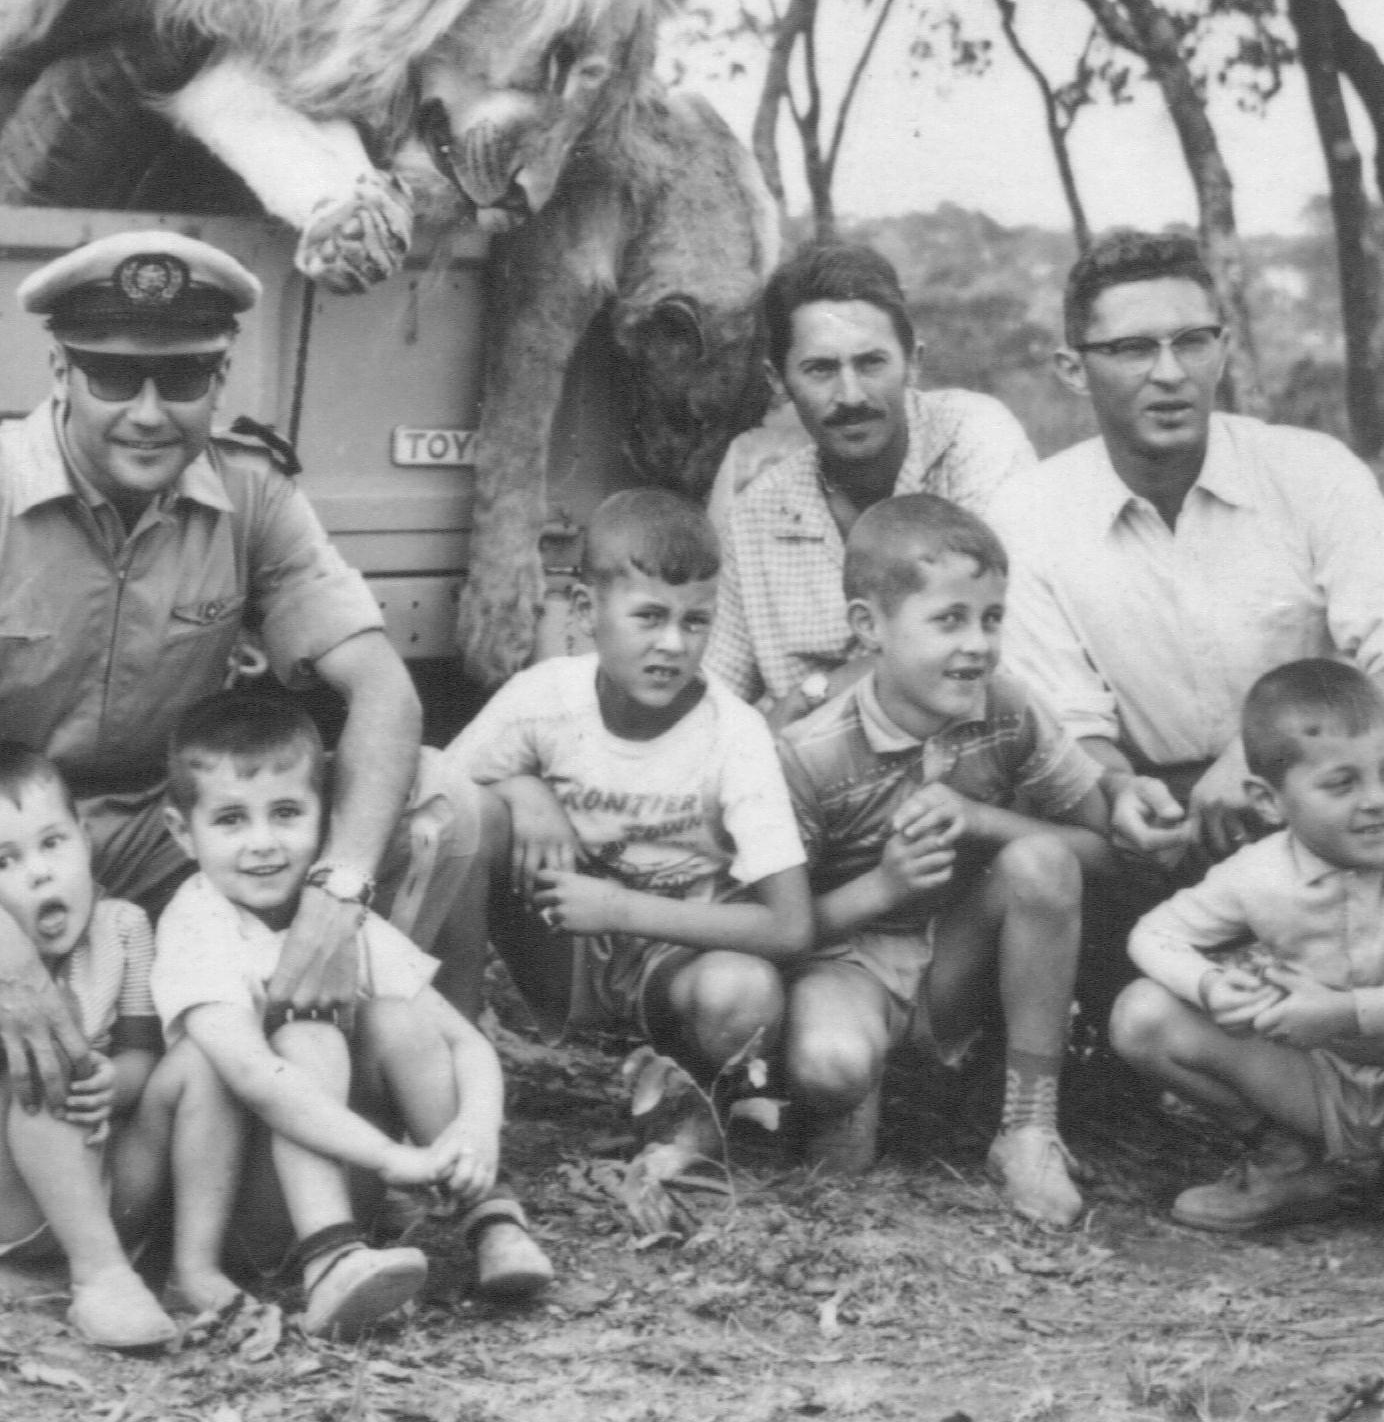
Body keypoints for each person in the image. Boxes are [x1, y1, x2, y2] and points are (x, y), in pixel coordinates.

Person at [0, 228, 503, 1114]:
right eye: (112, 377)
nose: (148, 412)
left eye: (182, 378)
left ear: (220, 378)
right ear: (59, 370)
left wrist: (339, 890)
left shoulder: (251, 490)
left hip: (163, 828)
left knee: (446, 806)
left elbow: (384, 692)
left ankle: (356, 1060)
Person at [991, 229, 1384, 1005]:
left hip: (1304, 789)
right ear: (1073, 369)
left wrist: (1261, 754)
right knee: (1043, 822)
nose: (1169, 373)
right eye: (1131, 349)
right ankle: (1118, 1039)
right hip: (1152, 828)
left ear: (1224, 348)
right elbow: (1066, 724)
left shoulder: (1308, 468)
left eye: (1192, 341)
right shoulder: (1028, 513)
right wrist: (1119, 793)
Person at [149, 690, 555, 1337]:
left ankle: (491, 1221)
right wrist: (390, 1158)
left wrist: (476, 1130)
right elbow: (256, 1078)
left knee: (397, 1019)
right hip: (243, 1206)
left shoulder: (335, 918)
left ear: (327, 816)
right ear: (181, 831)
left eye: (286, 813)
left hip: (346, 1177)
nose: (263, 843)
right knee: (308, 1036)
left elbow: (465, 1043)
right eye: (230, 820)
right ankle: (328, 1259)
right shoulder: (199, 922)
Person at [1111, 660, 1384, 1275]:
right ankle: (1288, 1162)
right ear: (1269, 801)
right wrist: (1211, 986)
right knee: (1142, 1015)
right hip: (1315, 1083)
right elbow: (1154, 933)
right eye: (1341, 784)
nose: (1378, 801)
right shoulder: (1259, 870)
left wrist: (1343, 1012)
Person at [777, 496, 1119, 1223]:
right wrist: (884, 886)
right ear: (869, 626)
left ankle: (1028, 1128)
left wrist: (981, 820)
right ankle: (839, 1089)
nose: (978, 645)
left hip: (953, 960)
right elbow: (774, 930)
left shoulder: (1009, 711)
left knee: (1042, 862)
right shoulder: (810, 754)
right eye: (949, 620)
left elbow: (1101, 850)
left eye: (991, 619)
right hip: (844, 965)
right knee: (834, 1092)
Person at [0, 743, 244, 1350]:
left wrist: (114, 1082)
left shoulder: (123, 929)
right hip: (6, 1201)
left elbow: (143, 1057)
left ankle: (193, 1268)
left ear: (85, 840)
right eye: (4, 861)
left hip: (113, 1185)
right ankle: (101, 1278)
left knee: (200, 1058)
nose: (40, 872)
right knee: (44, 1048)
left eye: (53, 843)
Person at [449, 490, 813, 1082]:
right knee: (469, 812)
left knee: (743, 991)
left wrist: (619, 908)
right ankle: (455, 1046)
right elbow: (433, 792)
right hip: (558, 944)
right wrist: (521, 792)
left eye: (695, 621)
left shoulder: (735, 733)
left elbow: (791, 926)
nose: (673, 644)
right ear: (586, 611)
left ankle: (689, 1094)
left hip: (674, 958)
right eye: (649, 616)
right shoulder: (544, 697)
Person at [706, 242, 1036, 724]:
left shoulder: (973, 438)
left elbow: (1007, 631)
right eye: (820, 369)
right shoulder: (757, 516)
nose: (851, 396)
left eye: (871, 363)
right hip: (812, 770)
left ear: (913, 362)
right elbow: (714, 696)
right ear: (777, 380)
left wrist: (810, 699)